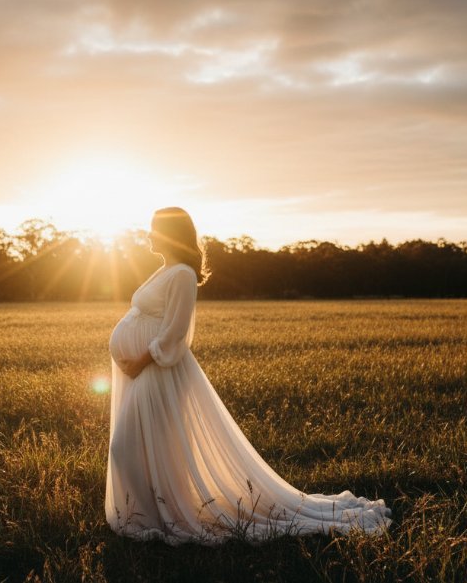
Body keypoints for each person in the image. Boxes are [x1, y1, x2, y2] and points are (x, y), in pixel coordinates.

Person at [106, 207, 392, 545]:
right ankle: (151, 512)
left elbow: (176, 332)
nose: (149, 234)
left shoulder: (182, 274)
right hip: (145, 371)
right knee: (144, 446)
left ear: (171, 234)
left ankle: (161, 515)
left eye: (155, 228)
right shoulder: (164, 270)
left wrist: (140, 360)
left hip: (158, 372)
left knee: (124, 447)